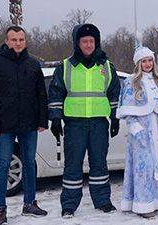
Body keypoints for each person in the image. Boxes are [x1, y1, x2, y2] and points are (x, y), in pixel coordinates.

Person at [47, 23, 121, 218]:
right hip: (74, 124)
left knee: (99, 163)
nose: (88, 44)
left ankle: (103, 201)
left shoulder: (106, 66)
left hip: (99, 123)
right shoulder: (65, 66)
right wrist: (55, 119)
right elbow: (55, 94)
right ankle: (69, 204)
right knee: (73, 164)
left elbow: (114, 93)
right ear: (77, 43)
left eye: (91, 41)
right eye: (84, 41)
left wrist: (115, 118)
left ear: (96, 43)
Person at [0, 26, 49, 225]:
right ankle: (0, 209)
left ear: (25, 41)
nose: (18, 43)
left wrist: (42, 120)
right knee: (3, 165)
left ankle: (30, 203)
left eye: (21, 39)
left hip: (29, 125)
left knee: (29, 163)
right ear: (7, 41)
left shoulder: (33, 64)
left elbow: (41, 95)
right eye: (14, 39)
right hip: (3, 126)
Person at [117, 46, 158, 218]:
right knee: (144, 168)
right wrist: (136, 129)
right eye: (144, 61)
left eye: (150, 60)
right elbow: (128, 111)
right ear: (138, 63)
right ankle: (144, 204)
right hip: (141, 133)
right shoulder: (130, 82)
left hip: (156, 130)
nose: (148, 64)